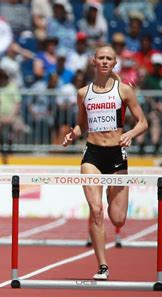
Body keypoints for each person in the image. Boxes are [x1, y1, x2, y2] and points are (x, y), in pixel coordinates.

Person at [62, 45, 148, 280]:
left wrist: (130, 134)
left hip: (116, 156)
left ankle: (112, 193)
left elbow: (143, 122)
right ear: (94, 61)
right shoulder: (83, 93)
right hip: (92, 155)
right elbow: (80, 125)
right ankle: (102, 266)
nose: (104, 61)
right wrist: (72, 134)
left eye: (109, 58)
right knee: (96, 210)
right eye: (101, 58)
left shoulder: (124, 91)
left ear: (114, 63)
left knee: (118, 218)